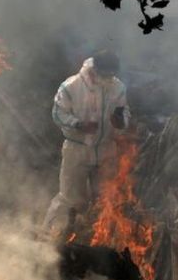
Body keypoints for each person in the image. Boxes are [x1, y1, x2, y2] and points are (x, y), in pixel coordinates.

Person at [43, 50, 130, 239]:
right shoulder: (71, 86)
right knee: (70, 198)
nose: (109, 79)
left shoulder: (118, 88)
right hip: (77, 149)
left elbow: (124, 113)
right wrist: (78, 124)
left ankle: (96, 238)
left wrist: (120, 121)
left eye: (112, 75)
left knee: (106, 199)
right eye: (106, 75)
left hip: (106, 150)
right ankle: (50, 236)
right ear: (95, 70)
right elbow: (58, 114)